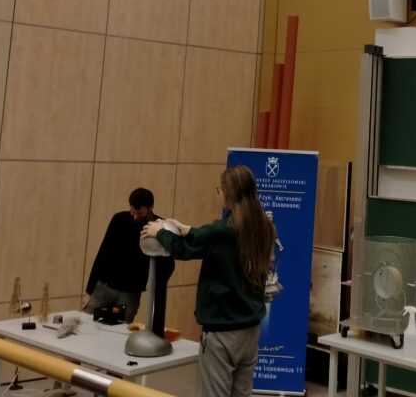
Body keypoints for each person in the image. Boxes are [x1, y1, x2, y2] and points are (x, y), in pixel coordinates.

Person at [141, 165, 276, 397]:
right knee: (242, 393)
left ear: (228, 193)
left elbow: (183, 249)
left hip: (222, 332)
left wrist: (159, 231)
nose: (219, 193)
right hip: (250, 329)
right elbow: (208, 237)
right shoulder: (263, 226)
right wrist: (187, 228)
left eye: (220, 189)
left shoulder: (222, 231)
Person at [85, 187, 174, 332]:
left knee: (119, 334)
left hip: (130, 294)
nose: (135, 217)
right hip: (104, 287)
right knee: (87, 327)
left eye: (140, 213)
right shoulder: (119, 219)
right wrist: (89, 291)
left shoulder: (159, 227)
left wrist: (156, 288)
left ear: (150, 207)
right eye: (133, 211)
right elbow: (103, 253)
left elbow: (168, 263)